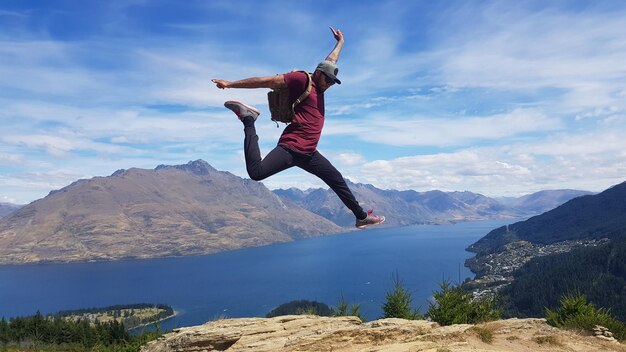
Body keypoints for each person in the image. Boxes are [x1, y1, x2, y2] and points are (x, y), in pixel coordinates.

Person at [211, 27, 385, 229]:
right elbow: (266, 81)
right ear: (318, 74)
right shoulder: (301, 80)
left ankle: (360, 217)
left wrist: (340, 43)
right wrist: (230, 84)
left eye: (332, 82)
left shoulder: (322, 80)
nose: (329, 84)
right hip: (291, 148)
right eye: (327, 79)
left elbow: (331, 61)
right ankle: (248, 119)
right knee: (256, 173)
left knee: (337, 179)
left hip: (310, 153)